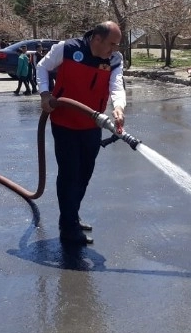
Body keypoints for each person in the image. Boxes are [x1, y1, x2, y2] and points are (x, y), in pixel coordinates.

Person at [37, 22, 125, 246]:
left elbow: (116, 86)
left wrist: (118, 106)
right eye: (111, 44)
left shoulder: (114, 60)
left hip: (91, 124)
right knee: (69, 174)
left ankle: (71, 216)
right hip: (64, 122)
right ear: (97, 39)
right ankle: (68, 228)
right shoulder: (66, 49)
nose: (114, 49)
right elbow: (41, 67)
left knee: (84, 174)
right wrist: (45, 94)